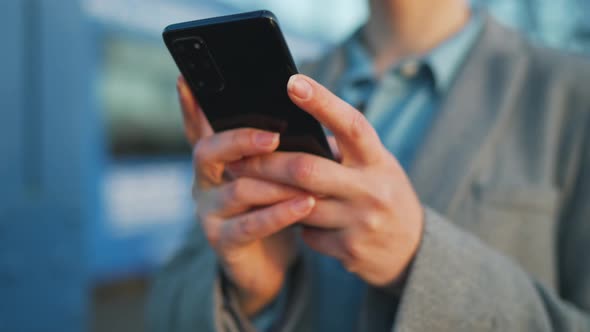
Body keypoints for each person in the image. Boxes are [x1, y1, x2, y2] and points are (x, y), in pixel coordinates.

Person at [148, 0, 590, 331]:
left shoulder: (570, 95)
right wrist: (250, 295)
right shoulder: (283, 83)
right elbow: (162, 312)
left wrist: (421, 258)